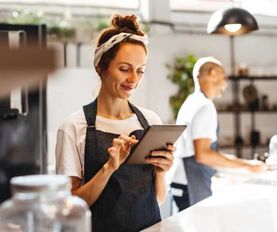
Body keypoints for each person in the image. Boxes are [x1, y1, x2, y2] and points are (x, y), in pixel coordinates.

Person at [55, 14, 174, 232]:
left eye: (140, 71)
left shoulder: (150, 121)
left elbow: (156, 200)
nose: (134, 80)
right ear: (101, 67)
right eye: (124, 69)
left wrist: (161, 172)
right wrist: (109, 168)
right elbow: (69, 209)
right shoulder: (74, 126)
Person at [171, 57, 265, 209]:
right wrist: (247, 165)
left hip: (182, 183)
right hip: (192, 184)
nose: (226, 84)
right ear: (213, 74)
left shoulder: (190, 102)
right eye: (224, 77)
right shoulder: (205, 106)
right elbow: (204, 155)